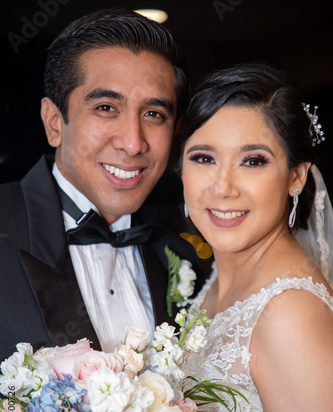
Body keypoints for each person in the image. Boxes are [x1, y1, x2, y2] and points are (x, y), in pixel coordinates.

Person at [0, 8, 204, 363]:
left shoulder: (183, 257)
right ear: (54, 123)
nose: (133, 142)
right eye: (107, 107)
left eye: (154, 114)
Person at [176, 63, 333, 412]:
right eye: (204, 157)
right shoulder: (216, 278)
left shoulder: (291, 314)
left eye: (253, 161)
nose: (223, 187)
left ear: (296, 176)